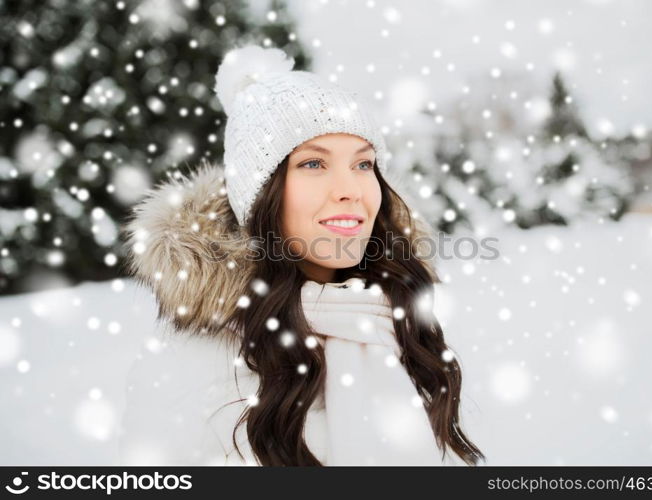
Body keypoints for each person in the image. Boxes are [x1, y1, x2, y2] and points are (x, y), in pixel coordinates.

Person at [117, 44, 484, 466]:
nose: (350, 189)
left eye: (363, 165)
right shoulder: (189, 368)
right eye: (313, 164)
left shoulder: (395, 320)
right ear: (260, 197)